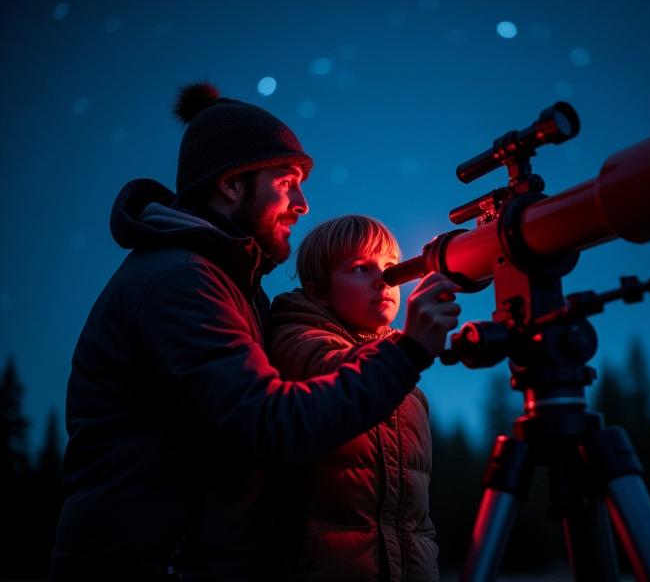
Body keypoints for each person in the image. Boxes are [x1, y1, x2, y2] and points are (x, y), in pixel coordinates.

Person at [49, 82, 460, 581]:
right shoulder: (179, 282)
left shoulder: (229, 284)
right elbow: (271, 426)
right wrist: (407, 350)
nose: (304, 203)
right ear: (232, 185)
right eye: (286, 181)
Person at [269, 215, 443, 582]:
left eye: (391, 267)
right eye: (361, 268)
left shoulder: (405, 378)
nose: (384, 280)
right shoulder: (296, 340)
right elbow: (335, 373)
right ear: (319, 292)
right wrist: (409, 347)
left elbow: (417, 520)